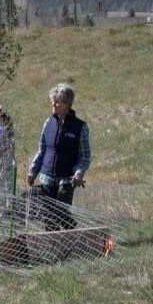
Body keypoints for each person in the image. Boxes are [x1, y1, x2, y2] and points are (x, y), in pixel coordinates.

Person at [27, 83, 91, 231]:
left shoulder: (80, 127)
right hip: (47, 178)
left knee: (61, 214)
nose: (53, 104)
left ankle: (72, 240)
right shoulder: (48, 123)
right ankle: (52, 248)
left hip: (67, 180)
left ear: (67, 104)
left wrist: (79, 173)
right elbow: (42, 150)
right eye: (52, 100)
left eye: (57, 101)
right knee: (48, 217)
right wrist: (32, 172)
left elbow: (85, 155)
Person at [0, 106, 16, 198]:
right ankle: (9, 206)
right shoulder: (10, 129)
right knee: (8, 184)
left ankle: (0, 208)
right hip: (9, 158)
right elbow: (13, 145)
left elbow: (0, 147)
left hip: (0, 160)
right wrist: (13, 158)